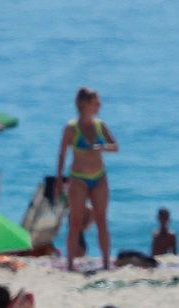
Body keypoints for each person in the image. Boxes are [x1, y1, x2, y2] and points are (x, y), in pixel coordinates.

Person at [56, 87, 118, 271]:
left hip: (99, 177)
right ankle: (70, 264)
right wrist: (59, 180)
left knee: (101, 220)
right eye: (95, 102)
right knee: (75, 222)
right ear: (84, 104)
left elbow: (115, 146)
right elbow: (62, 154)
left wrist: (103, 147)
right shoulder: (71, 128)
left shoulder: (100, 125)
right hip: (78, 178)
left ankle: (106, 262)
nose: (99, 105)